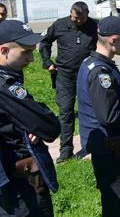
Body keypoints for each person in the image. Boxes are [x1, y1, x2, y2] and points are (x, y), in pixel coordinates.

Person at [76, 16, 120, 216]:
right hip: (112, 150)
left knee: (115, 205)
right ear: (113, 40)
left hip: (109, 148)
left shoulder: (91, 63)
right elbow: (109, 117)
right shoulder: (101, 73)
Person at [0, 20, 61, 216]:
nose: (31, 59)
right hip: (17, 190)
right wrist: (32, 120)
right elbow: (50, 126)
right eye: (25, 52)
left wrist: (26, 122)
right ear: (4, 51)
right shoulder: (4, 85)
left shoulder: (12, 76)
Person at [39, 1, 98, 163]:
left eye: (81, 19)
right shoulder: (60, 25)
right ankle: (66, 149)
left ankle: (99, 142)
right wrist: (47, 62)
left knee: (94, 108)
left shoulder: (94, 26)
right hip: (64, 74)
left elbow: (104, 43)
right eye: (74, 18)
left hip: (87, 74)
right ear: (70, 13)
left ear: (87, 15)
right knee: (66, 111)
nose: (77, 21)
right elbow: (44, 42)